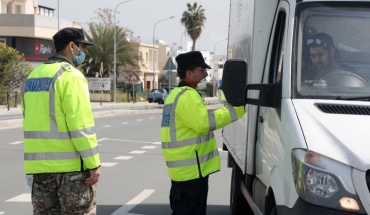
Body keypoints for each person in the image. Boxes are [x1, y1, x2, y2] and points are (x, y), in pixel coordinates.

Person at [21, 27, 101, 214]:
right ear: (72, 46)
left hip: (39, 170)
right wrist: (93, 164)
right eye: (83, 47)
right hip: (71, 172)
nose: (85, 52)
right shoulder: (71, 76)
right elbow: (81, 126)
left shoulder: (32, 76)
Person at [160, 51, 245, 215]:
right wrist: (236, 111)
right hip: (191, 172)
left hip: (183, 171)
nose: (205, 74)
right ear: (189, 73)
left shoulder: (174, 95)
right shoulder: (187, 96)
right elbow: (203, 123)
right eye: (202, 70)